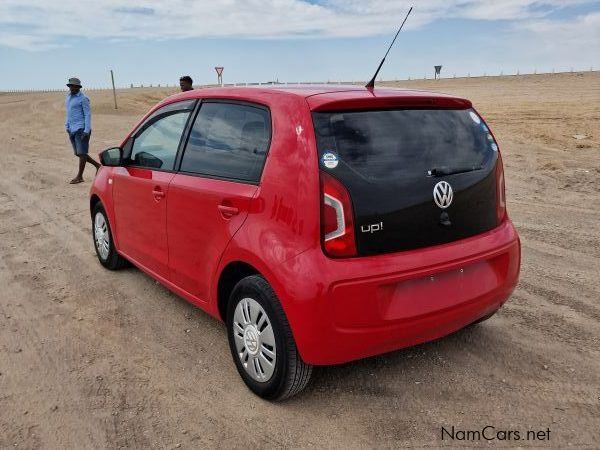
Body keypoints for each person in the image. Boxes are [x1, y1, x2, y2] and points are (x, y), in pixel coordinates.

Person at [65, 77, 100, 184]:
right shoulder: (68, 98)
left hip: (81, 129)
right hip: (71, 129)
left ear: (78, 87)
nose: (72, 88)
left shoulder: (83, 99)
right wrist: (67, 126)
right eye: (71, 86)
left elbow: (87, 114)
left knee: (82, 152)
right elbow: (69, 113)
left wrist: (86, 130)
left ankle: (80, 176)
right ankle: (98, 166)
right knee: (78, 153)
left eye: (74, 86)